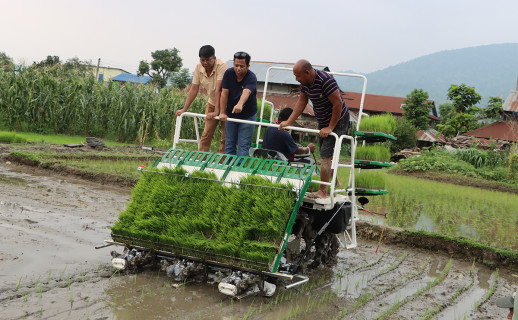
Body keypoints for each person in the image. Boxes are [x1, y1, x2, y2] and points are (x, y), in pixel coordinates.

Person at [279, 59, 349, 199]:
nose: (296, 79)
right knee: (327, 153)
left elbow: (337, 104)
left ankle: (323, 191)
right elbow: (302, 102)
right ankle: (334, 181)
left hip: (338, 120)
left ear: (307, 72)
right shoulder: (305, 84)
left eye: (298, 76)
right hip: (323, 120)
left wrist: (330, 127)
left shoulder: (325, 81)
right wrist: (289, 121)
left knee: (325, 154)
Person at [175, 45, 227, 153]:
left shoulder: (222, 66)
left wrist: (218, 111)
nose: (205, 63)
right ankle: (201, 158)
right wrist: (184, 109)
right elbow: (194, 89)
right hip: (212, 102)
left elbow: (219, 90)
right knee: (206, 133)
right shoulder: (198, 67)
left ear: (214, 58)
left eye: (208, 60)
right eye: (202, 60)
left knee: (225, 136)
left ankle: (223, 162)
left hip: (225, 104)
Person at [219, 51, 257, 157]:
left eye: (242, 66)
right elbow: (224, 93)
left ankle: (238, 170)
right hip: (230, 115)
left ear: (248, 66)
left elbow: (247, 91)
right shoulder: (228, 73)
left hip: (247, 116)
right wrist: (222, 112)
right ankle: (228, 167)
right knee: (229, 144)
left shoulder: (251, 77)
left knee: (243, 145)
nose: (238, 69)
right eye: (236, 65)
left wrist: (240, 104)